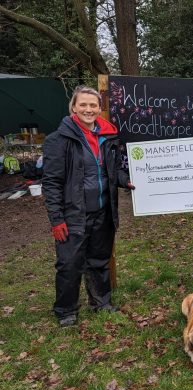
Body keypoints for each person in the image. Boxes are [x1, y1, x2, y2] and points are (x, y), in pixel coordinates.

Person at [43, 85, 134, 327]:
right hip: (73, 215)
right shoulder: (58, 140)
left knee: (99, 259)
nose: (88, 109)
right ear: (73, 107)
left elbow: (114, 170)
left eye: (93, 105)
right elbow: (51, 183)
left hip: (104, 211)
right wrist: (56, 218)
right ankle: (65, 310)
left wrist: (126, 180)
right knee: (69, 264)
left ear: (99, 108)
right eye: (83, 104)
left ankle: (100, 302)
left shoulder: (108, 136)